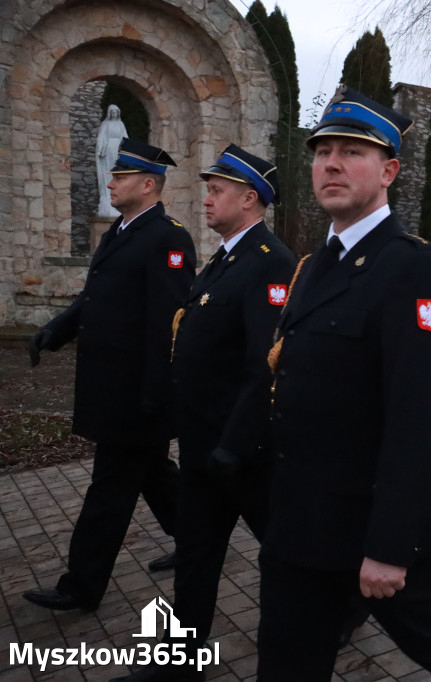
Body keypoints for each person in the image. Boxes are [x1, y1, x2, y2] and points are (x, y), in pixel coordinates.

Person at [255, 86, 431, 681]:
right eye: (323, 152)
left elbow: (424, 418)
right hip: (300, 522)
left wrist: (390, 545)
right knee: (285, 661)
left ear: (389, 172)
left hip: (371, 523)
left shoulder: (415, 267)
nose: (331, 164)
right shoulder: (313, 264)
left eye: (352, 152)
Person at [113, 145, 297, 682]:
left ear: (250, 198)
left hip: (243, 451)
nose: (207, 199)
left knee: (287, 548)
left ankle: (343, 608)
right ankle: (180, 659)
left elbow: (266, 364)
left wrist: (234, 444)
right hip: (203, 445)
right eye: (209, 189)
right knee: (196, 553)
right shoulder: (225, 258)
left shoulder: (270, 261)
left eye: (217, 191)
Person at [24, 139, 195, 612]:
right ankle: (197, 540)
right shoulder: (119, 231)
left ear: (148, 185)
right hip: (114, 387)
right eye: (113, 173)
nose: (111, 181)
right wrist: (56, 330)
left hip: (135, 394)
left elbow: (169, 324)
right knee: (153, 473)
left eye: (121, 176)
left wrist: (156, 394)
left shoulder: (167, 238)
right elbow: (95, 297)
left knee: (110, 489)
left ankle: (81, 586)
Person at [95, 105, 129, 217]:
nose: (114, 114)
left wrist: (127, 148)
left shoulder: (121, 124)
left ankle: (119, 193)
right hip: (109, 149)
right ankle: (107, 196)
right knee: (109, 170)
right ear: (109, 113)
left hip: (118, 149)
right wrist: (99, 148)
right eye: (112, 112)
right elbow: (101, 137)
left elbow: (125, 137)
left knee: (118, 171)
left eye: (116, 112)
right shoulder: (105, 124)